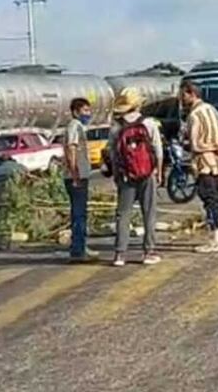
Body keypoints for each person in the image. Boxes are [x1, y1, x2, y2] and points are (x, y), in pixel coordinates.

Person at [106, 88, 164, 267]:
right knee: (149, 213)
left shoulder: (116, 127)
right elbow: (158, 150)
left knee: (123, 215)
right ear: (138, 104)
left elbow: (112, 154)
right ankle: (148, 251)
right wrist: (159, 171)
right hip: (147, 174)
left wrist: (117, 175)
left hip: (125, 176)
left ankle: (119, 254)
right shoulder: (149, 124)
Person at [182, 81, 218, 252]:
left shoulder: (194, 115)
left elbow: (195, 145)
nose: (181, 99)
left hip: (204, 164)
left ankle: (215, 239)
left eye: (183, 95)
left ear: (191, 94)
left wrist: (211, 148)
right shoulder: (212, 110)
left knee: (210, 201)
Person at [63, 97, 95, 261]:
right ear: (76, 112)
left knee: (80, 213)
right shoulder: (74, 126)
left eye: (89, 110)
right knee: (78, 214)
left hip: (80, 175)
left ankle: (81, 246)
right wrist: (74, 173)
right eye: (85, 111)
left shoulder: (80, 126)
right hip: (76, 176)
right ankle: (78, 251)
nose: (88, 114)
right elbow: (71, 149)